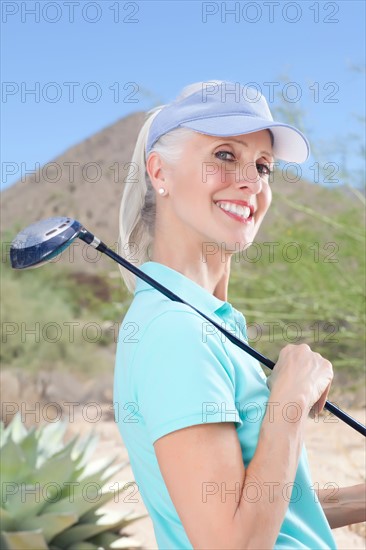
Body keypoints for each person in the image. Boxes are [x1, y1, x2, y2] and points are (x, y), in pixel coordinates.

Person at [114, 80, 365, 549]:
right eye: (225, 156)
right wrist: (289, 402)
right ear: (159, 172)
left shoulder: (207, 321)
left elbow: (277, 509)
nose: (251, 181)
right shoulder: (177, 333)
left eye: (263, 166)